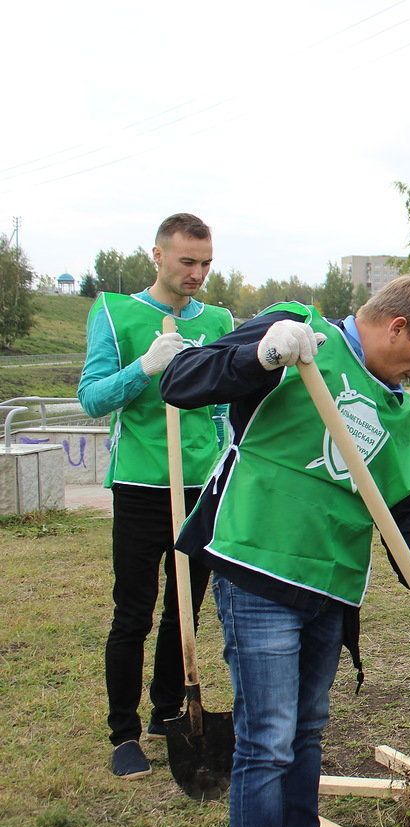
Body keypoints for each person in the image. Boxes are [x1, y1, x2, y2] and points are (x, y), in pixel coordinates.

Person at [160, 276, 410, 827]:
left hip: (331, 585)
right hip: (258, 566)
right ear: (396, 326)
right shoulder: (302, 334)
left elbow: (398, 507)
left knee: (305, 735)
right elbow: (182, 382)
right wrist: (260, 354)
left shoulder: (395, 411)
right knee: (268, 741)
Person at [76, 213, 234, 779]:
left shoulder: (216, 319)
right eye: (187, 261)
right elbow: (92, 399)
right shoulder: (116, 313)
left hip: (200, 484)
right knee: (133, 612)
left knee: (185, 611)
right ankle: (123, 732)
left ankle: (166, 711)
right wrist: (144, 367)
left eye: (206, 262)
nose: (197, 273)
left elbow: (226, 397)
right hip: (142, 484)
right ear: (158, 256)